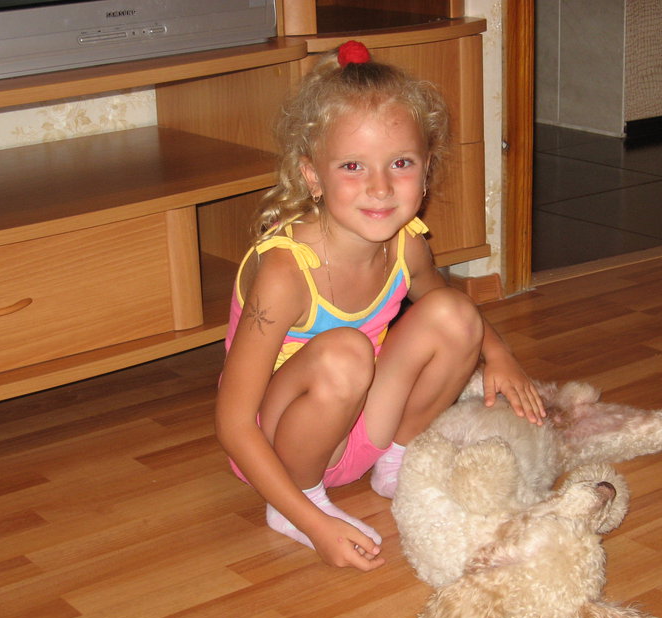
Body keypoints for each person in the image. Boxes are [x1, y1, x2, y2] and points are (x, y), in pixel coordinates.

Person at [215, 40, 545, 572]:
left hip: (365, 427)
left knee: (456, 312)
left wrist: (499, 354)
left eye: (401, 163)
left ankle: (396, 460)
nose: (381, 187)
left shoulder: (406, 243)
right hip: (281, 451)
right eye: (352, 166)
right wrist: (313, 523)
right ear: (312, 176)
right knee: (345, 351)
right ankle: (300, 502)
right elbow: (233, 424)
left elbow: (442, 304)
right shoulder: (284, 272)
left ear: (426, 169)